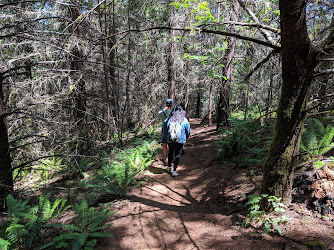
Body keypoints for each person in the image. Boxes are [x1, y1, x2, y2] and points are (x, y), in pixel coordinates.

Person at [161, 104, 191, 177]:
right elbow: (188, 130)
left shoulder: (168, 119)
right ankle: (174, 170)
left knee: (170, 152)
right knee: (177, 154)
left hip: (170, 140)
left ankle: (169, 167)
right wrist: (187, 137)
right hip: (180, 140)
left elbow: (164, 130)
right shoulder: (184, 120)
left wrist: (164, 139)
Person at [158, 98, 173, 165]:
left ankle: (165, 158)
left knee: (164, 144)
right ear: (172, 104)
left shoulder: (160, 112)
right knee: (171, 144)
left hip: (164, 130)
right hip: (171, 129)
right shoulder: (173, 112)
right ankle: (170, 158)